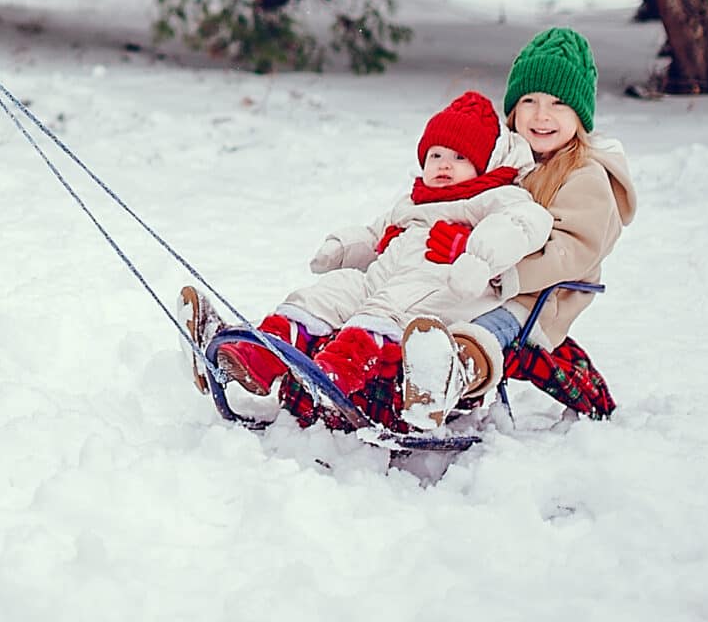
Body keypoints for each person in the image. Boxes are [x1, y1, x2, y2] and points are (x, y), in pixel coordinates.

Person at [183, 92, 551, 430]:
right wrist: (344, 247)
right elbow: (377, 234)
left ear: (484, 164)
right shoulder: (412, 202)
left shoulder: (493, 196)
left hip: (442, 287)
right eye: (435, 155)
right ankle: (258, 357)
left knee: (384, 309)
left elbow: (525, 223)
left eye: (459, 157)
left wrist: (480, 255)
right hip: (385, 278)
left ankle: (339, 373)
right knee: (330, 293)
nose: (444, 165)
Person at [409, 26, 636, 423]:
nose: (541, 115)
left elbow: (570, 253)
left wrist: (501, 272)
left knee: (483, 328)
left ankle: (452, 374)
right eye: (529, 100)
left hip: (536, 300)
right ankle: (375, 358)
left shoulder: (586, 176)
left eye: (558, 103)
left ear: (580, 116)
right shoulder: (510, 165)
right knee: (417, 300)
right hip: (480, 280)